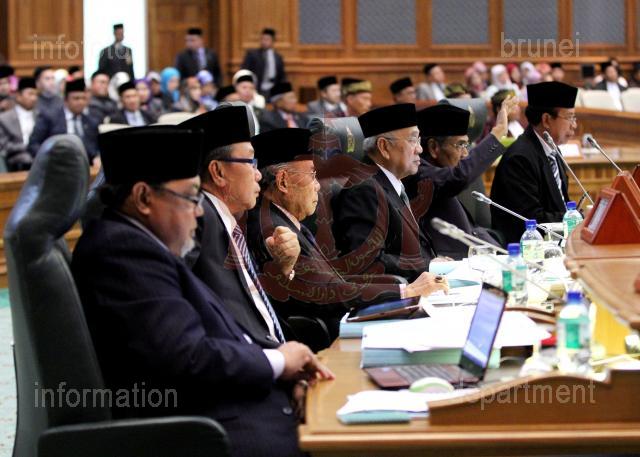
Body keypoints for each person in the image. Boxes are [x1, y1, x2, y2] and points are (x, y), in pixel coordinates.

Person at [72, 125, 333, 457]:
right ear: (144, 198)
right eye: (190, 197)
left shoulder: (146, 245)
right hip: (212, 432)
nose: (198, 211)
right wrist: (279, 362)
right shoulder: (121, 250)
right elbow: (188, 356)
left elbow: (224, 334)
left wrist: (283, 373)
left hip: (240, 406)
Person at [247, 128, 449, 340]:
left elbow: (333, 281)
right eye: (313, 175)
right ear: (283, 182)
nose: (318, 186)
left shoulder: (284, 220)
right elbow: (323, 293)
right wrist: (405, 293)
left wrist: (402, 290)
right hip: (334, 339)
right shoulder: (274, 231)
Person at [181, 106, 299, 348]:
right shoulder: (199, 220)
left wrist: (281, 267)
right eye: (250, 162)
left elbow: (250, 303)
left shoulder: (227, 220)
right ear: (218, 172)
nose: (258, 175)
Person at [332, 104, 438, 281]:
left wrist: (438, 265)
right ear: (384, 147)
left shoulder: (389, 183)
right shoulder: (364, 190)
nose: (420, 149)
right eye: (413, 140)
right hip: (400, 292)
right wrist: (431, 266)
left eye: (419, 140)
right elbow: (368, 261)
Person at [403, 100, 515, 259]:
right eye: (460, 145)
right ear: (434, 147)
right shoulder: (417, 173)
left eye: (466, 145)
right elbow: (458, 176)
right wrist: (497, 133)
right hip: (448, 265)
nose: (465, 154)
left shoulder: (439, 169)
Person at [490, 81, 577, 244]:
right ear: (546, 120)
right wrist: (576, 218)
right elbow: (531, 220)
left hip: (555, 241)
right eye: (569, 117)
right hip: (525, 247)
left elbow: (561, 205)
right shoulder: (519, 158)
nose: (574, 125)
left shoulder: (552, 150)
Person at [28, 78, 99, 163]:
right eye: (76, 98)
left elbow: (95, 147)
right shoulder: (50, 118)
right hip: (54, 162)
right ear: (66, 100)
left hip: (84, 164)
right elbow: (34, 144)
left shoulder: (90, 121)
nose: (80, 102)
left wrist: (97, 157)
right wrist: (48, 158)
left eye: (83, 98)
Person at [0, 77, 38, 171]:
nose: (34, 98)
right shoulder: (4, 118)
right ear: (18, 96)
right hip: (16, 158)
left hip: (39, 155)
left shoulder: (41, 116)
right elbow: (4, 146)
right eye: (30, 94)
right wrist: (26, 146)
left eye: (35, 94)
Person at [241, 28, 286, 97]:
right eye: (262, 39)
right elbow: (244, 71)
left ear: (273, 41)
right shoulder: (252, 54)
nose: (264, 42)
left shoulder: (278, 57)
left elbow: (282, 76)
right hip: (257, 88)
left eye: (267, 39)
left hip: (273, 89)